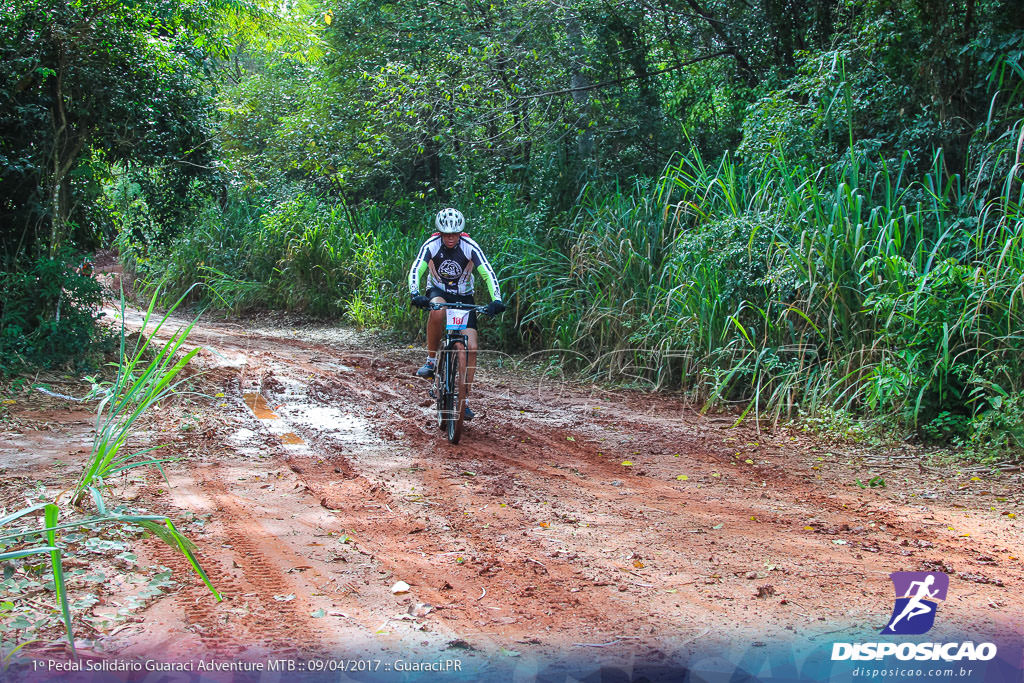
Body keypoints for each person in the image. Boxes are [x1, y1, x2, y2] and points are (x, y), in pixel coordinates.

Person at [408, 208, 505, 420]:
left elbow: (487, 272)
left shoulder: (470, 247)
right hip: (439, 291)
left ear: (461, 232)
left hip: (464, 296)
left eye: (454, 234)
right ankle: (432, 361)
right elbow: (417, 268)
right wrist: (415, 293)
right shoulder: (431, 245)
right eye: (446, 234)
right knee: (437, 310)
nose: (450, 238)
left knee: (472, 346)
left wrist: (496, 299)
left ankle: (464, 399)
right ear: (440, 233)